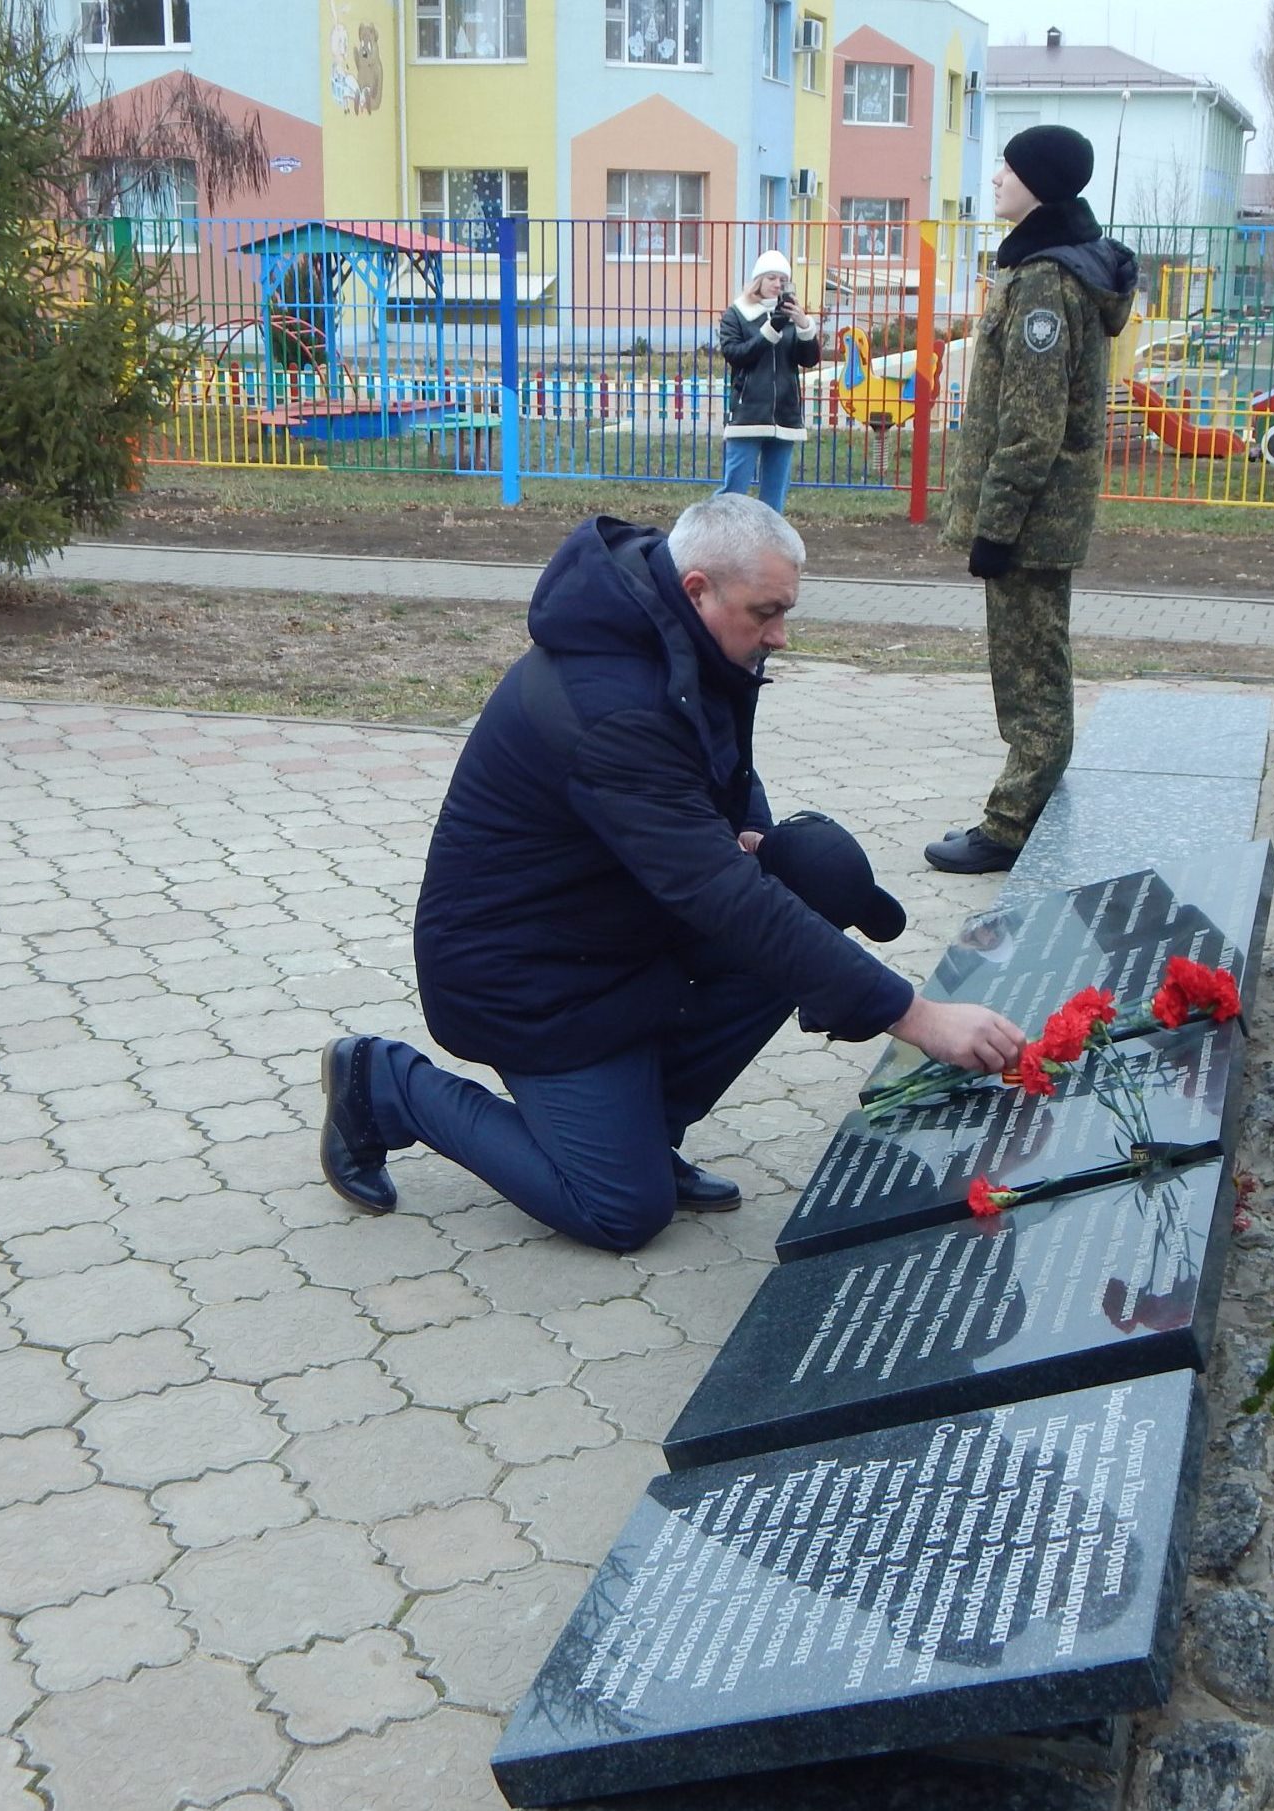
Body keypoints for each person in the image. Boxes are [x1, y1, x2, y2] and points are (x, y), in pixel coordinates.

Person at [317, 493, 1025, 1253]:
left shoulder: (674, 626)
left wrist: (747, 829)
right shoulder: (612, 706)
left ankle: (641, 1130)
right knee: (620, 1210)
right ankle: (385, 1083)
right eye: (766, 612)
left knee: (809, 875)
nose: (780, 636)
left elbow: (722, 768)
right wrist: (916, 1018)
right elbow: (722, 897)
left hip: (612, 935)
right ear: (699, 589)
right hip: (526, 976)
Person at [926, 125, 1135, 875]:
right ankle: (1032, 801)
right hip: (1038, 515)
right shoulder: (1042, 265)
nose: (996, 179)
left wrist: (998, 522)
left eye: (1008, 169)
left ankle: (1011, 824)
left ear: (1039, 182)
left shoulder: (1047, 279)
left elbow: (1032, 422)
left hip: (1033, 518)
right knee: (1034, 659)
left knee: (1029, 670)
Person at [716, 249, 820, 514]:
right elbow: (736, 355)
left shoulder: (789, 316)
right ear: (758, 281)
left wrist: (804, 326)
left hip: (784, 416)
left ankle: (768, 551)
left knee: (774, 498)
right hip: (748, 414)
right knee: (733, 492)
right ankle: (714, 539)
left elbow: (808, 360)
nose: (777, 284)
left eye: (783, 280)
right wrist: (770, 329)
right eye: (772, 278)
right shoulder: (737, 314)